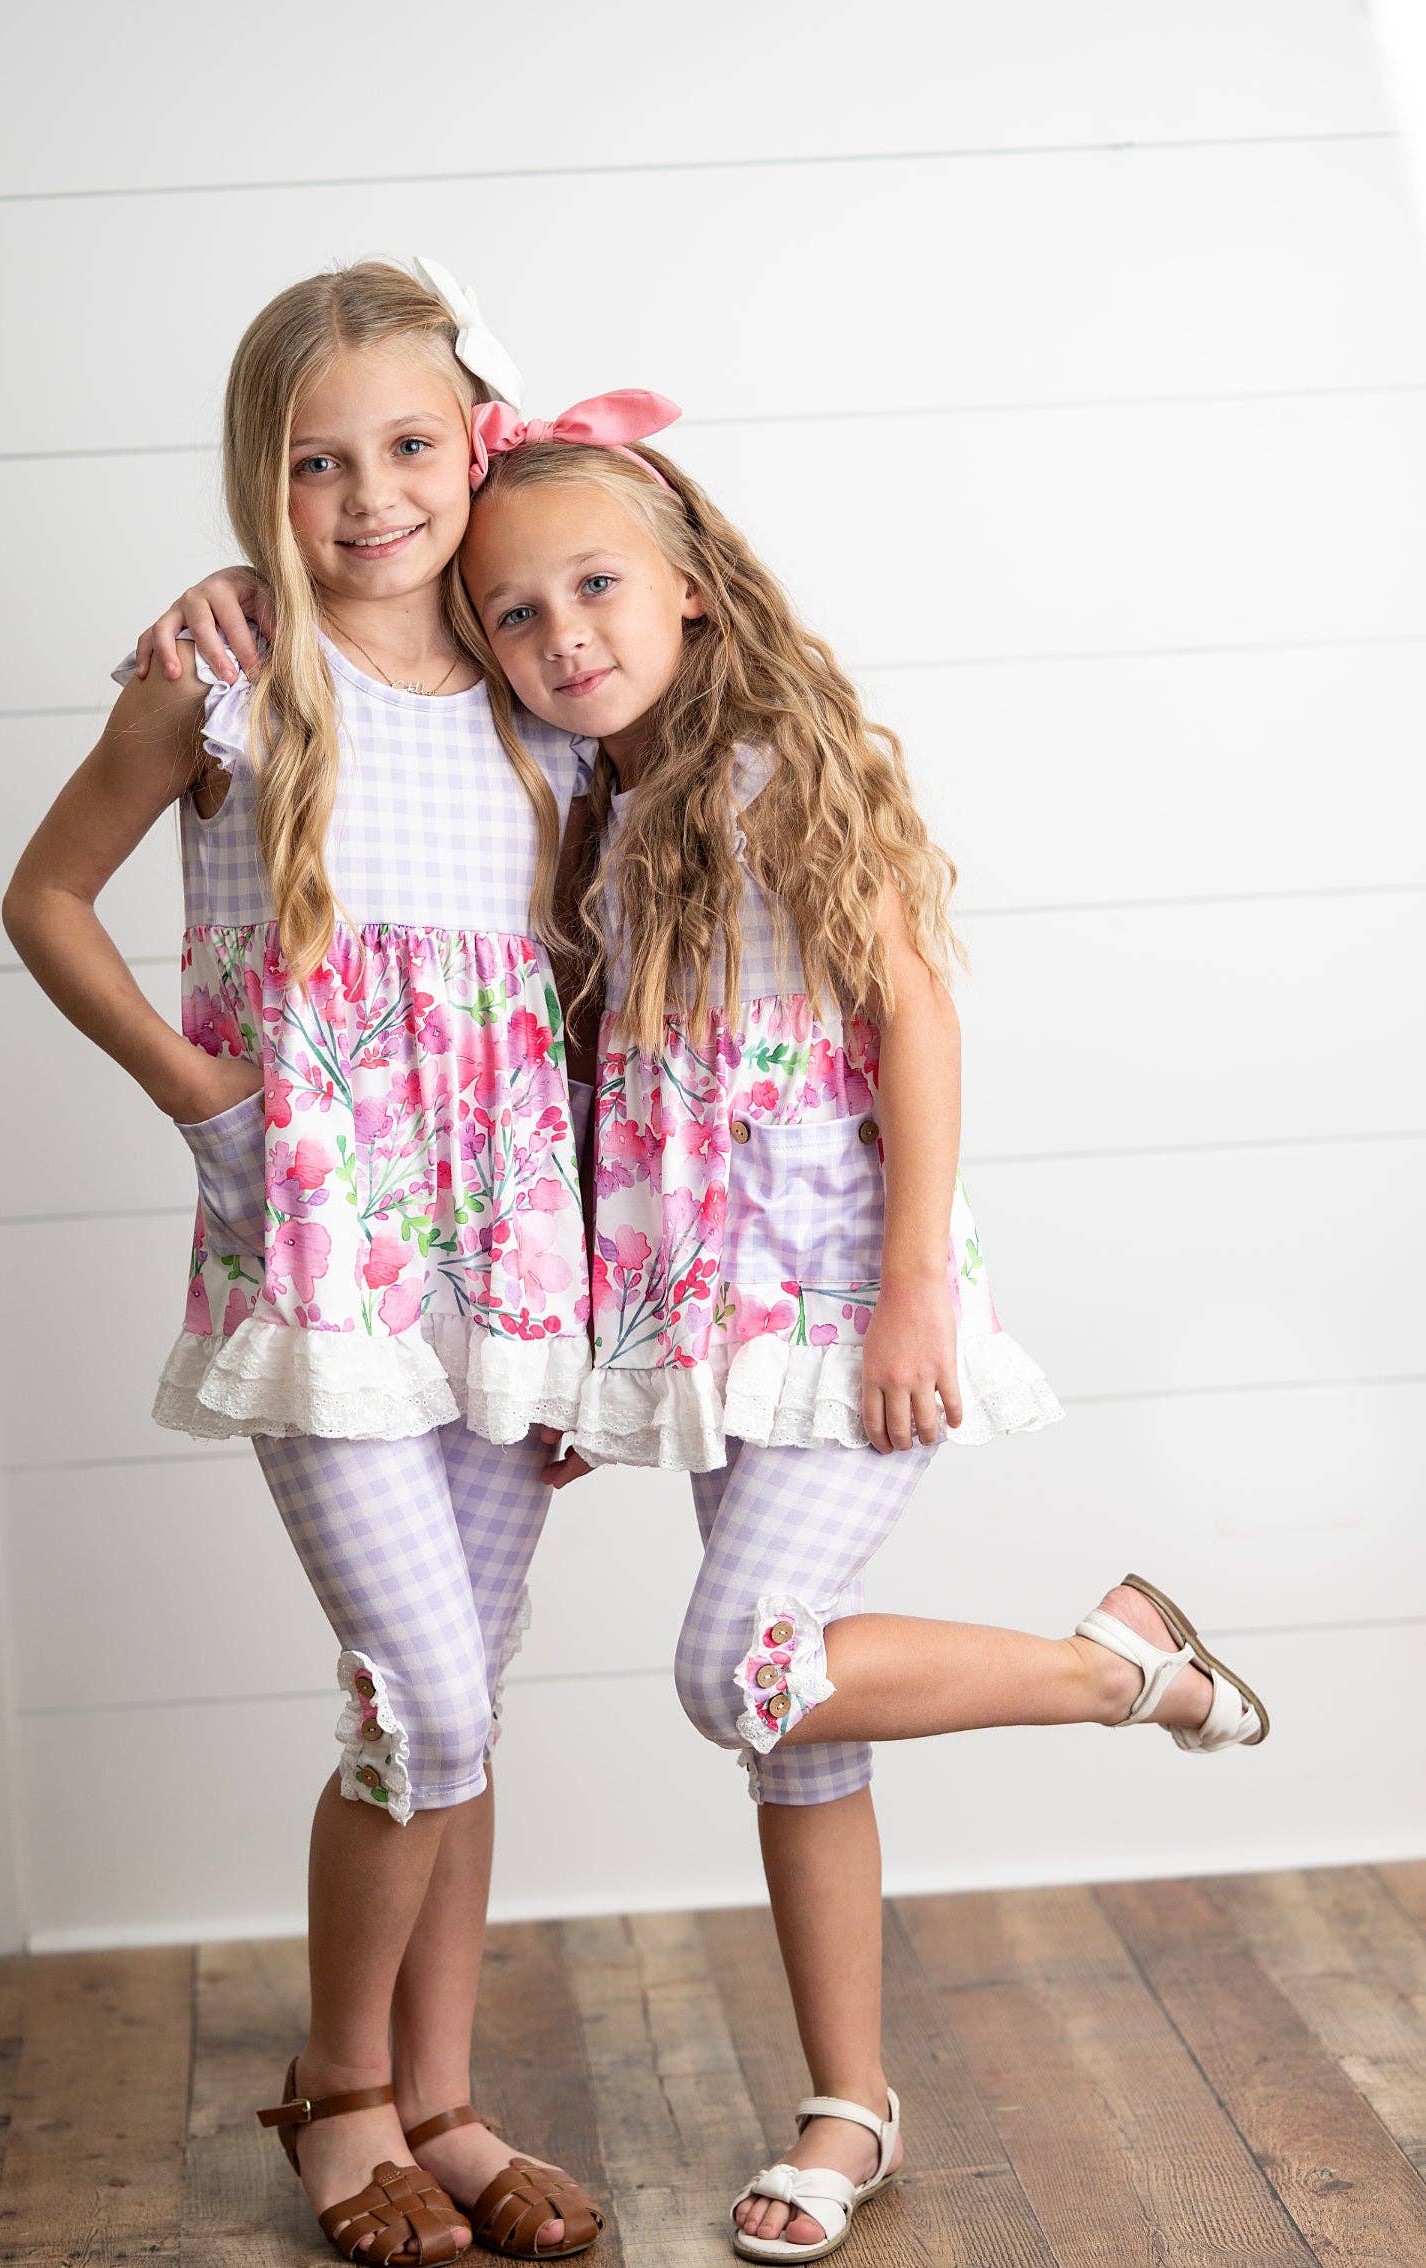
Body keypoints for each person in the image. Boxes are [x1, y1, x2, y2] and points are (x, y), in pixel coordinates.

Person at [143, 386, 1270, 2266]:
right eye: (516, 612)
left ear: (689, 583)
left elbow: (915, 1019)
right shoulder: (572, 789)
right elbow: (581, 1097)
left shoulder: (774, 768)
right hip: (690, 1327)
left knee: (743, 1667)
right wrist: (588, 1351)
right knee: (798, 1729)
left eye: (597, 588)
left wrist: (911, 1293)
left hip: (843, 1308)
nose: (559, 634)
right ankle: (851, 2106)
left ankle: (1114, 1669)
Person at [3, 261, 604, 2264]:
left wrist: (609, 1309)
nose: (368, 497)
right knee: (416, 1688)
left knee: (467, 1700)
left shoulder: (536, 678)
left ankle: (444, 2103)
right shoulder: (226, 671)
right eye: (314, 462)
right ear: (260, 476)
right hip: (324, 1259)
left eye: (409, 446)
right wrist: (203, 1097)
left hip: (512, 1267)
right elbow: (46, 896)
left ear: (478, 447)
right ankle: (339, 2095)